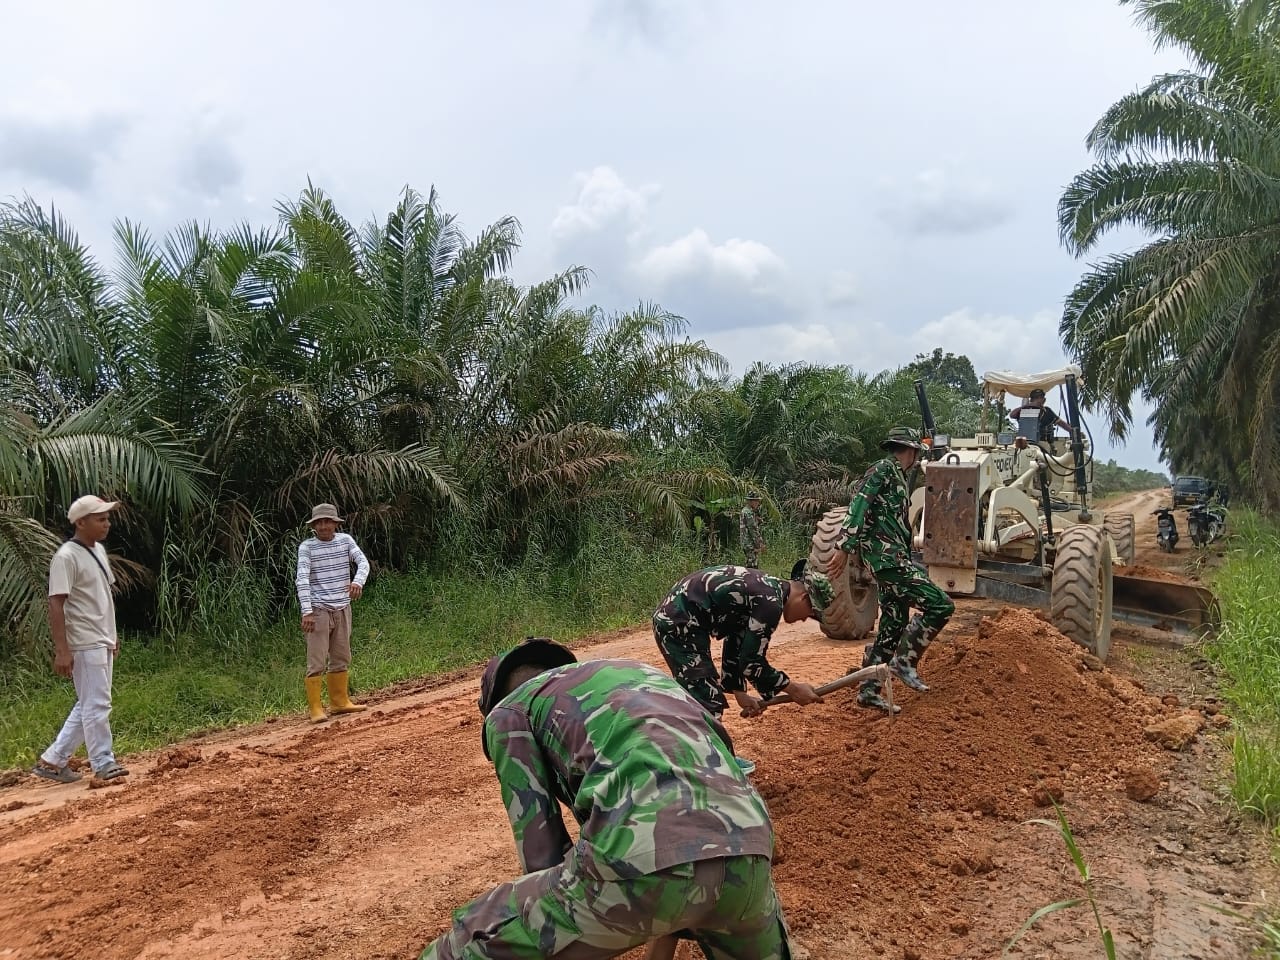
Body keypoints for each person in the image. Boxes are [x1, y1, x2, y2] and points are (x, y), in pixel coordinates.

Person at [419, 638, 798, 959]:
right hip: (749, 858)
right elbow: (689, 831)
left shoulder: (508, 712)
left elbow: (542, 857)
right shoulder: (641, 676)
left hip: (649, 870)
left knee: (468, 940)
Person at [831, 427, 955, 713]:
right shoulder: (883, 469)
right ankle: (905, 661)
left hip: (893, 559)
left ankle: (868, 691)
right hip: (888, 561)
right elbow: (860, 503)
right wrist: (844, 545)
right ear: (911, 450)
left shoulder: (897, 475)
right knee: (940, 605)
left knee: (893, 625)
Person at [652, 565, 831, 751]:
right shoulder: (770, 603)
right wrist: (793, 689)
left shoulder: (768, 589)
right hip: (678, 622)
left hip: (679, 620)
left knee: (703, 698)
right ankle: (712, 762)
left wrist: (740, 693)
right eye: (811, 614)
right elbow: (752, 663)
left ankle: (713, 758)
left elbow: (736, 640)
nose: (805, 619)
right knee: (706, 702)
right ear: (804, 598)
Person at [31, 495, 130, 784]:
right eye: (101, 519)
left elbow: (103, 596)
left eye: (107, 518)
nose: (107, 524)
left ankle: (54, 760)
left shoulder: (97, 550)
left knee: (90, 701)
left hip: (101, 638)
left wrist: (112, 635)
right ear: (81, 522)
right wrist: (62, 650)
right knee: (97, 703)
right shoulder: (66, 557)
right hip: (85, 641)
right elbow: (56, 603)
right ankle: (103, 762)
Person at [296, 503, 370, 722]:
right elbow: (302, 579)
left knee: (341, 656)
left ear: (335, 524)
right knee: (316, 660)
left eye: (327, 521)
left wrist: (358, 582)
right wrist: (307, 611)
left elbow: (363, 562)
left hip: (342, 607)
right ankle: (316, 708)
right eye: (319, 522)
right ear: (313, 526)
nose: (323, 526)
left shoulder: (345, 541)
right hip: (318, 610)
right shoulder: (307, 547)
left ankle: (339, 702)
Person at [1007, 388, 1073, 443]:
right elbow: (1012, 415)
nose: (1039, 400)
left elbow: (1061, 423)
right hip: (1025, 442)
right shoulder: (1024, 410)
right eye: (1036, 398)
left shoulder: (1047, 411)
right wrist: (1027, 405)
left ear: (1044, 399)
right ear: (1031, 400)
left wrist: (1072, 431)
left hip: (1043, 443)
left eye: (1041, 397)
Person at [739, 491, 766, 567]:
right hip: (749, 543)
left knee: (752, 563)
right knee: (752, 565)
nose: (758, 503)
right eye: (756, 501)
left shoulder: (747, 511)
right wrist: (760, 543)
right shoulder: (748, 513)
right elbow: (753, 530)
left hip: (747, 542)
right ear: (750, 501)